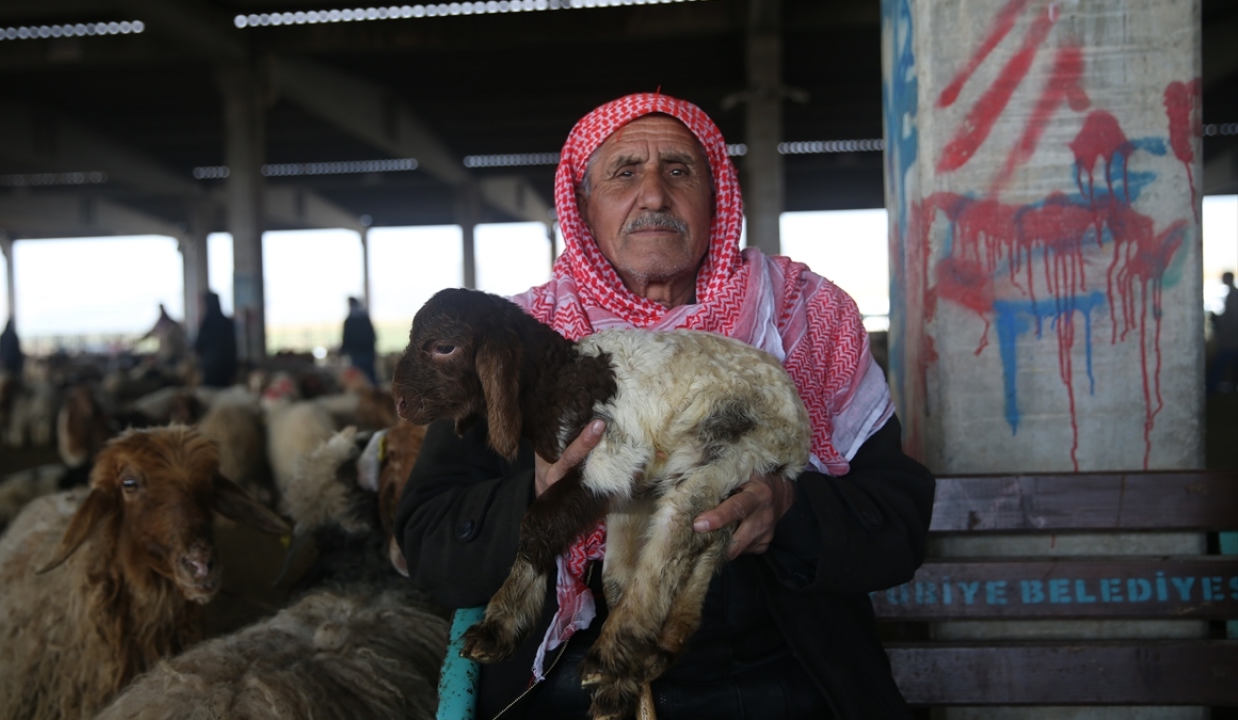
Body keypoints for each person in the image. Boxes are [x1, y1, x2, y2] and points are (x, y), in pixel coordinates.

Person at [395, 93, 935, 719]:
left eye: (679, 171)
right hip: (564, 682)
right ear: (583, 207)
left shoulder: (810, 318)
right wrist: (536, 492)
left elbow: (898, 522)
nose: (653, 195)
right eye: (625, 173)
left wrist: (790, 512)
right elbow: (428, 542)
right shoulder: (509, 340)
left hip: (781, 673)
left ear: (716, 198)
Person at [193, 291, 237, 388]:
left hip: (210, 369)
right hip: (227, 369)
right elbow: (233, 348)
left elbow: (197, 346)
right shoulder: (227, 322)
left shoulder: (206, 324)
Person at [1209, 271, 1238, 393]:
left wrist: (1221, 328)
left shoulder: (1233, 295)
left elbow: (1232, 319)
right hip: (1231, 338)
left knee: (1220, 363)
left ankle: (1210, 389)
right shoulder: (1232, 294)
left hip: (1230, 339)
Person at [341, 297, 378, 385]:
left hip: (358, 354)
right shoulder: (365, 319)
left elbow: (346, 338)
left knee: (359, 378)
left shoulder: (350, 321)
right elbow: (373, 337)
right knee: (368, 377)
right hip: (366, 353)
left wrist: (343, 350)